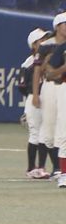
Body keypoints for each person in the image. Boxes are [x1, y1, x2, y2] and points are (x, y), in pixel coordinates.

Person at [33, 12, 66, 179]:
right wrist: (35, 93)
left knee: (63, 126)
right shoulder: (46, 45)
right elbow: (38, 70)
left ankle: (59, 169)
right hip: (50, 85)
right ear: (58, 26)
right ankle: (57, 167)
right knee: (49, 126)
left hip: (64, 86)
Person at [19, 28, 52, 179]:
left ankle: (41, 168)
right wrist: (32, 99)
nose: (45, 42)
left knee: (45, 135)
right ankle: (32, 168)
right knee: (35, 135)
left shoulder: (49, 59)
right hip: (34, 100)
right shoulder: (28, 63)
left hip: (47, 99)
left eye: (46, 39)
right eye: (41, 40)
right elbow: (22, 86)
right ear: (33, 45)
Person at [44, 12, 66, 188]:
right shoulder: (62, 48)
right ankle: (64, 174)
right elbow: (49, 74)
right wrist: (64, 68)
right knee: (64, 133)